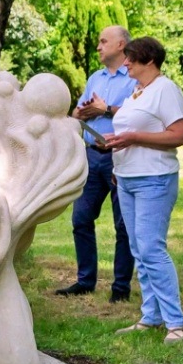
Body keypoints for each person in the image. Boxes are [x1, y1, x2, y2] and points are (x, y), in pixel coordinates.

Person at [105, 37, 183, 344]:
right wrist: (116, 153)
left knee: (152, 249)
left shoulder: (165, 90)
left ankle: (175, 323)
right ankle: (150, 316)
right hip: (126, 178)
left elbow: (180, 134)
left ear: (149, 61)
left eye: (131, 58)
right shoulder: (136, 92)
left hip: (155, 179)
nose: (125, 63)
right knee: (139, 250)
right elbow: (129, 134)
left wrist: (134, 138)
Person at [55, 26, 137, 303]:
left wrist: (107, 109)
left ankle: (121, 288)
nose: (99, 47)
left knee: (123, 225)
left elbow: (142, 114)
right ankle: (85, 280)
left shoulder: (135, 78)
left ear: (120, 44)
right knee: (80, 220)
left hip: (120, 157)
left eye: (104, 42)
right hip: (91, 156)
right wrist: (83, 111)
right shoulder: (95, 78)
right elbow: (78, 112)